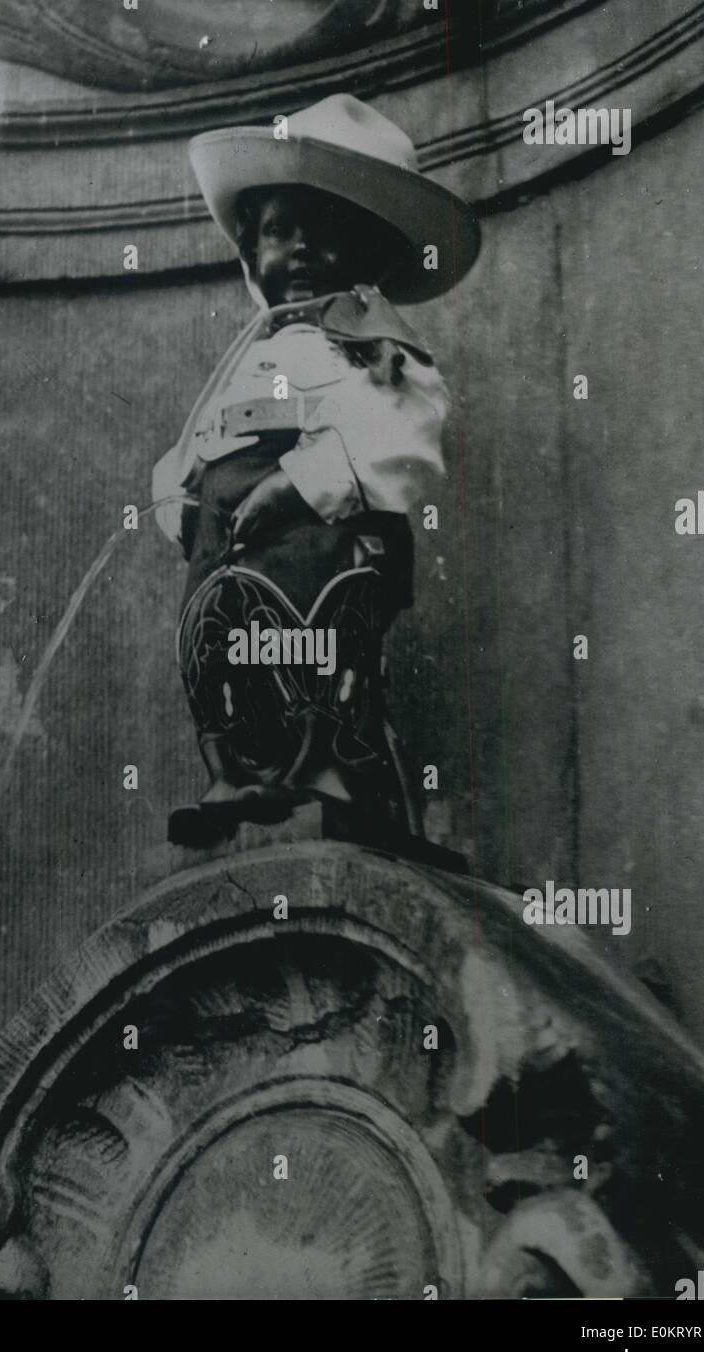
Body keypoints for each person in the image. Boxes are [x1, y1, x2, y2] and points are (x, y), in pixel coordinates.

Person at [153, 94, 480, 846]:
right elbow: (198, 434)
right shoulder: (249, 354)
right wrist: (179, 495)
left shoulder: (371, 347)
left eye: (325, 234)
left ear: (371, 255)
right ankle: (238, 771)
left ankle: (351, 788)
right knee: (224, 647)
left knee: (327, 654)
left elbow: (403, 429)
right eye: (276, 233)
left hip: (321, 530)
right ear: (247, 254)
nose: (297, 251)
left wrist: (304, 483)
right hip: (226, 533)